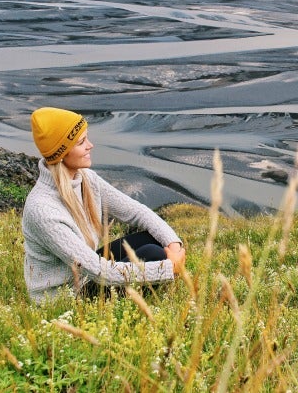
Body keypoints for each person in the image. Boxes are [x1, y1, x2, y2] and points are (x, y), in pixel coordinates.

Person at [22, 106, 186, 304]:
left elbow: (136, 212)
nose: (90, 145)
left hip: (84, 274)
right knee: (154, 254)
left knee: (158, 240)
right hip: (66, 298)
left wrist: (174, 246)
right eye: (81, 142)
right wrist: (168, 268)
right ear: (62, 153)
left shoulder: (86, 179)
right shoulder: (43, 210)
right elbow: (101, 273)